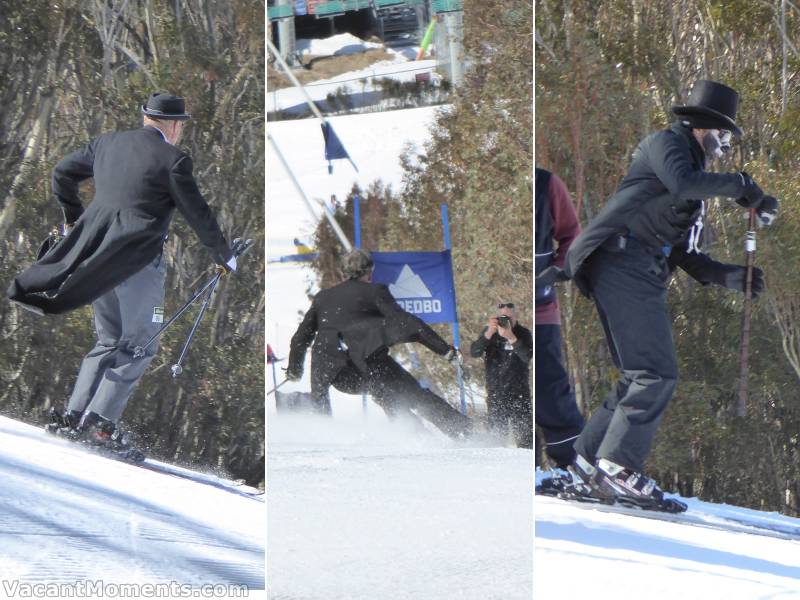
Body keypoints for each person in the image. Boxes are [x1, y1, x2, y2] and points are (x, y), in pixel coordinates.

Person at [536, 80, 779, 511]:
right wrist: (743, 185)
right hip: (620, 263)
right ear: (700, 127)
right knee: (656, 372)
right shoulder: (665, 145)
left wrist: (730, 277)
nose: (722, 149)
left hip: (639, 271)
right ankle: (619, 466)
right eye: (721, 138)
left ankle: (586, 465)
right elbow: (685, 183)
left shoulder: (691, 192)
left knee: (637, 375)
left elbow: (684, 252)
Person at [8, 92, 236, 452]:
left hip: (96, 261)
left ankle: (74, 414)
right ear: (174, 126)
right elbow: (198, 213)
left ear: (146, 117)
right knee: (141, 344)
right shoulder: (173, 160)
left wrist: (73, 218)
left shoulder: (107, 143)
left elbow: (62, 173)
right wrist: (223, 254)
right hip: (138, 264)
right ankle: (99, 425)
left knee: (109, 340)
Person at [286, 248, 471, 438]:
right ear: (369, 271)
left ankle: (414, 434)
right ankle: (461, 431)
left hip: (335, 374)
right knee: (412, 394)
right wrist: (446, 351)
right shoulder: (375, 291)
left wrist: (294, 370)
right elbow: (408, 323)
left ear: (344, 273)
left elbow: (299, 339)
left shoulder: (323, 298)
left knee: (382, 391)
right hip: (367, 363)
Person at [533, 168, 585, 469]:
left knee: (551, 388)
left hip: (541, 309)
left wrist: (557, 271)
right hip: (502, 310)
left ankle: (574, 462)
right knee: (509, 388)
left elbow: (572, 239)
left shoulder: (547, 183)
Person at [469, 302, 533, 448]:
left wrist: (511, 337)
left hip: (519, 393)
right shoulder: (489, 333)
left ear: (515, 316)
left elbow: (527, 356)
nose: (506, 321)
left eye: (509, 317)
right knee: (497, 440)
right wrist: (489, 333)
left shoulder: (523, 333)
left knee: (526, 440)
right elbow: (474, 352)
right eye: (502, 317)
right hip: (496, 392)